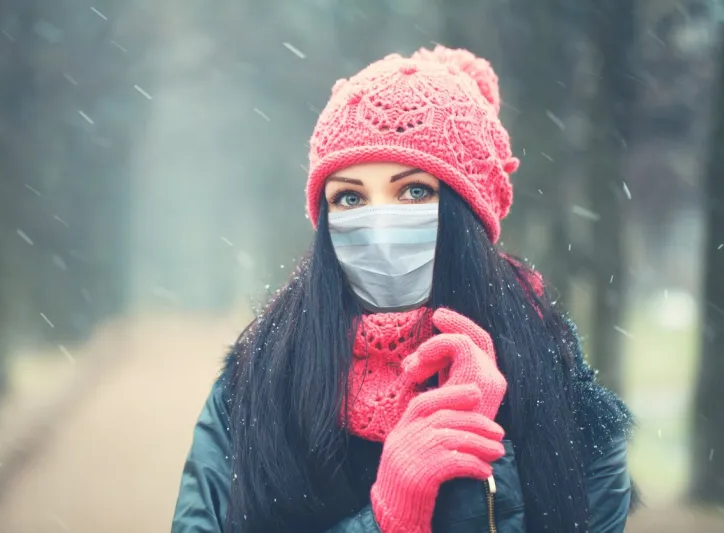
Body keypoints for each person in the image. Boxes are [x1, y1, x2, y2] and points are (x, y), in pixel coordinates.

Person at [171, 45, 636, 533]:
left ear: (468, 212)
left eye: (415, 191)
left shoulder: (553, 377)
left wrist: (477, 468)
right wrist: (388, 516)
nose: (379, 225)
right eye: (350, 197)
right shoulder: (260, 379)